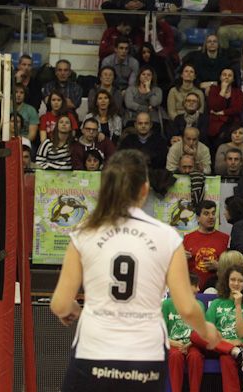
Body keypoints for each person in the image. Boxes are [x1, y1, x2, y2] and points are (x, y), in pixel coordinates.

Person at [51, 151, 221, 391]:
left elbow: (59, 305)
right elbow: (186, 307)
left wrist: (73, 308)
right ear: (145, 189)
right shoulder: (166, 236)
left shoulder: (84, 233)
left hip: (93, 351)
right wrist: (207, 330)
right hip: (145, 355)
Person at [200, 264, 243, 392]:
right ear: (227, 281)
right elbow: (208, 331)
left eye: (240, 281)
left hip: (241, 345)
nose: (236, 284)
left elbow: (241, 334)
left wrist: (238, 305)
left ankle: (236, 352)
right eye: (233, 280)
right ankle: (234, 351)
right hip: (223, 345)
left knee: (226, 358)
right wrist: (228, 343)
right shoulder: (217, 303)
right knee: (195, 334)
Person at [163, 274, 207, 392]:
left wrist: (189, 344)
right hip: (173, 344)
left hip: (192, 344)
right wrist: (174, 343)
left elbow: (201, 332)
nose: (198, 289)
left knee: (195, 357)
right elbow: (160, 333)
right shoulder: (166, 305)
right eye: (196, 286)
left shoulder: (199, 305)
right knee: (175, 356)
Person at [183, 201, 231, 291]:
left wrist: (219, 266)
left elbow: (235, 268)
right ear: (198, 218)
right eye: (206, 213)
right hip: (192, 290)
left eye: (213, 213)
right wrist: (181, 258)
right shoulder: (187, 239)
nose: (211, 217)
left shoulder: (226, 239)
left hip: (218, 290)